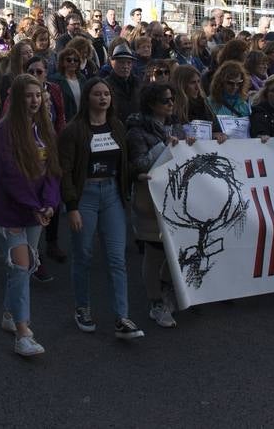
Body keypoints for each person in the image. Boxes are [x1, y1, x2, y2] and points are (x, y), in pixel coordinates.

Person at [59, 78, 143, 339]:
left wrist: (138, 174)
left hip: (112, 196)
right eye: (97, 94)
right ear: (88, 98)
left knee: (117, 259)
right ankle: (82, 308)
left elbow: (124, 163)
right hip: (85, 196)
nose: (103, 98)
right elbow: (65, 171)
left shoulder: (117, 126)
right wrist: (71, 206)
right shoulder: (74, 130)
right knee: (83, 255)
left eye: (106, 94)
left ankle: (122, 317)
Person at [0, 74, 62, 357]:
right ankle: (23, 332)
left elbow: (53, 169)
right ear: (17, 98)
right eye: (29, 95)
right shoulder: (2, 132)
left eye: (38, 95)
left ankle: (10, 314)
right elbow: (9, 174)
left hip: (38, 211)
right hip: (12, 211)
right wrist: (34, 204)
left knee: (26, 265)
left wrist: (49, 203)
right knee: (21, 267)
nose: (34, 100)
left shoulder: (44, 128)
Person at [125, 83, 185, 329]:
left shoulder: (177, 125)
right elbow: (139, 164)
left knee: (179, 249)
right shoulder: (136, 131)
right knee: (155, 250)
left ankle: (166, 288)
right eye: (165, 101)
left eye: (172, 100)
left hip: (178, 196)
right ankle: (155, 302)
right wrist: (165, 146)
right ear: (152, 104)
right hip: (150, 198)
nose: (171, 104)